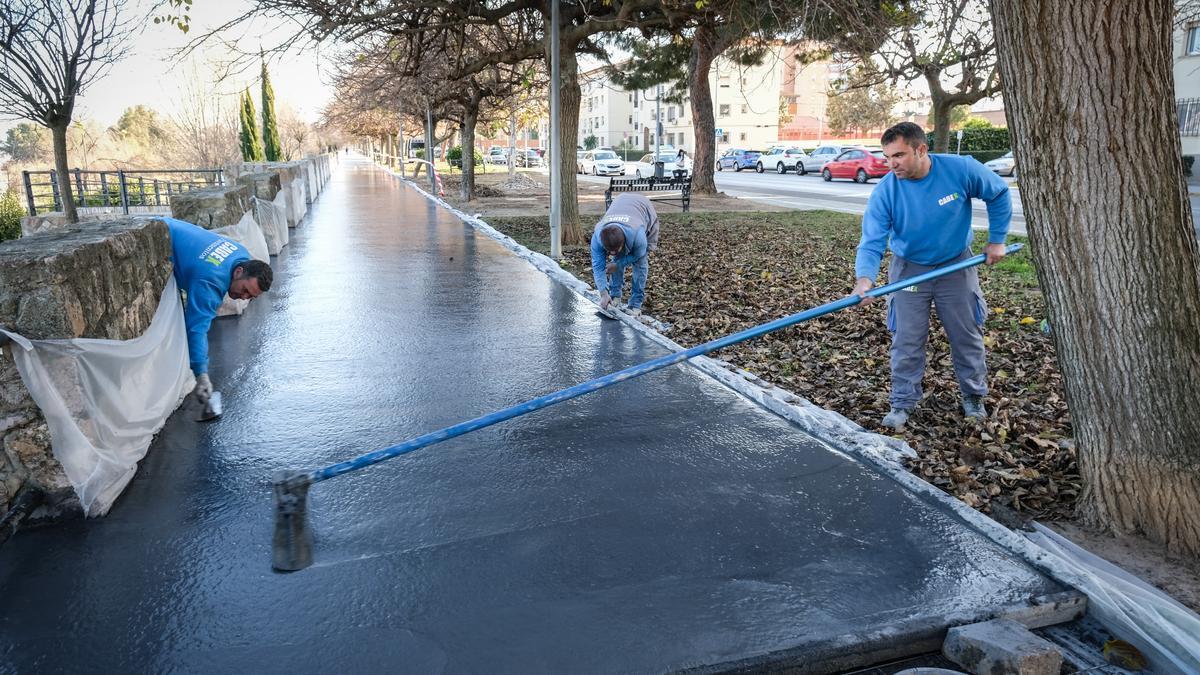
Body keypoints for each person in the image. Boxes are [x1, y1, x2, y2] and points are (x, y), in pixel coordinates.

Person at [852, 122, 1011, 430]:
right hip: (910, 269)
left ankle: (973, 397)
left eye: (898, 155)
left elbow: (999, 192)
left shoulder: (960, 169)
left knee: (967, 334)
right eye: (887, 157)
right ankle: (902, 402)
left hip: (956, 265)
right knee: (907, 339)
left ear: (921, 149)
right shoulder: (887, 190)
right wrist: (865, 280)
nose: (892, 164)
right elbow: (871, 241)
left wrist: (997, 239)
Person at [165, 218, 273, 407]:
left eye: (251, 297)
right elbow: (196, 328)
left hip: (167, 225)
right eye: (246, 290)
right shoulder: (211, 281)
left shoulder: (241, 254)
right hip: (157, 239)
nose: (244, 297)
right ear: (239, 272)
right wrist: (201, 374)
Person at [590, 194, 660, 317]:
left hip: (643, 209)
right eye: (609, 251)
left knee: (640, 264)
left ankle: (635, 305)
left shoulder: (638, 237)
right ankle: (614, 296)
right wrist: (603, 293)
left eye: (616, 249)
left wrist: (618, 264)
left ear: (624, 242)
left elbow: (639, 254)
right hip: (621, 202)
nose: (612, 253)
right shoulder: (597, 238)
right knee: (616, 260)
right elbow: (598, 266)